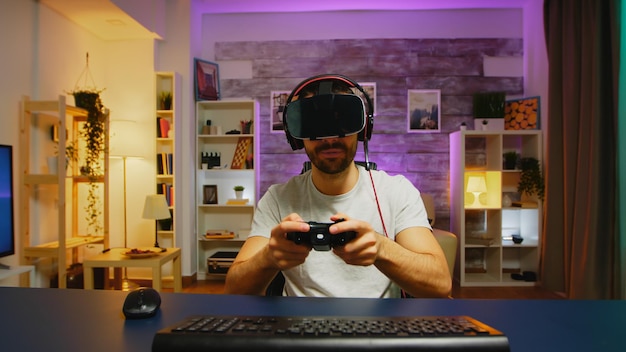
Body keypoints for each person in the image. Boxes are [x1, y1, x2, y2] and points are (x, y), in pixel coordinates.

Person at [224, 74, 451, 298]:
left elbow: (440, 284)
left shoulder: (397, 192)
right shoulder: (278, 198)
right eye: (315, 126)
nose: (329, 139)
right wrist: (268, 258)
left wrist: (382, 249)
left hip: (377, 326)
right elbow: (234, 290)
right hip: (299, 328)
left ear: (362, 130)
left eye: (340, 122)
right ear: (297, 137)